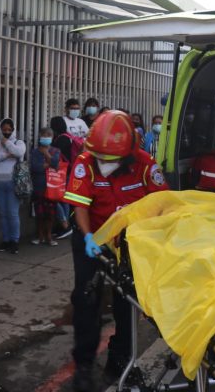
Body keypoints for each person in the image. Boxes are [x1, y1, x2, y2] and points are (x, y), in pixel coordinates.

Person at [63, 110, 169, 391]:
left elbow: (162, 204)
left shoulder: (146, 165)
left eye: (111, 160)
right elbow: (80, 206)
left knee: (128, 303)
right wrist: (89, 238)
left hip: (129, 243)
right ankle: (84, 365)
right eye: (101, 159)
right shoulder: (86, 163)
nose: (104, 165)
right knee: (86, 300)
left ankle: (121, 361)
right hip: (92, 240)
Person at [0, 118, 27, 254]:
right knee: (3, 213)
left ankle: (14, 241)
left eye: (9, 129)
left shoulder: (19, 142)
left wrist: (7, 143)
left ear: (13, 130)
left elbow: (19, 153)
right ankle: (6, 240)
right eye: (4, 130)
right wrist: (6, 155)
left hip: (12, 182)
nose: (6, 132)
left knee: (12, 213)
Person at [29, 127, 61, 246]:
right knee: (40, 213)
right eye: (44, 135)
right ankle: (40, 235)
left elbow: (56, 164)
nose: (46, 137)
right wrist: (49, 164)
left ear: (52, 138)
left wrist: (46, 153)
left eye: (48, 135)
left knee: (50, 214)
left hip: (52, 187)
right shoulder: (35, 151)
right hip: (39, 186)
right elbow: (35, 168)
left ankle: (49, 236)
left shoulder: (56, 150)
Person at [50, 116, 73, 239]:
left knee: (57, 199)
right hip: (68, 171)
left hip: (62, 172)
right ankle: (64, 224)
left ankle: (65, 225)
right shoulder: (68, 137)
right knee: (64, 199)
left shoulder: (61, 139)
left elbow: (54, 155)